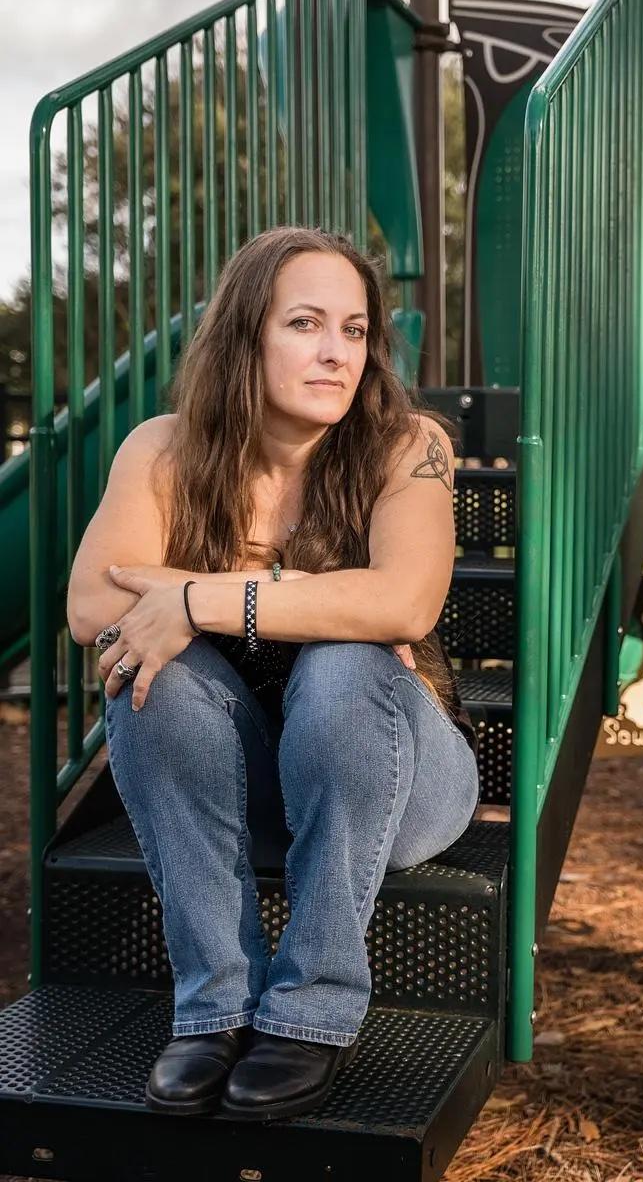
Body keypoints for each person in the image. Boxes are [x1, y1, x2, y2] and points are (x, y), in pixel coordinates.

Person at [66, 226, 481, 1123]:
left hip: (404, 783)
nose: (337, 353)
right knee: (149, 677)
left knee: (342, 663)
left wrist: (193, 599)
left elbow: (403, 605)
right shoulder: (166, 449)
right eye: (305, 323)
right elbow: (95, 610)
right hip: (250, 781)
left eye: (356, 329)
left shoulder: (409, 445)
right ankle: (212, 1009)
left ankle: (311, 1014)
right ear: (246, 333)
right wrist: (308, 594)